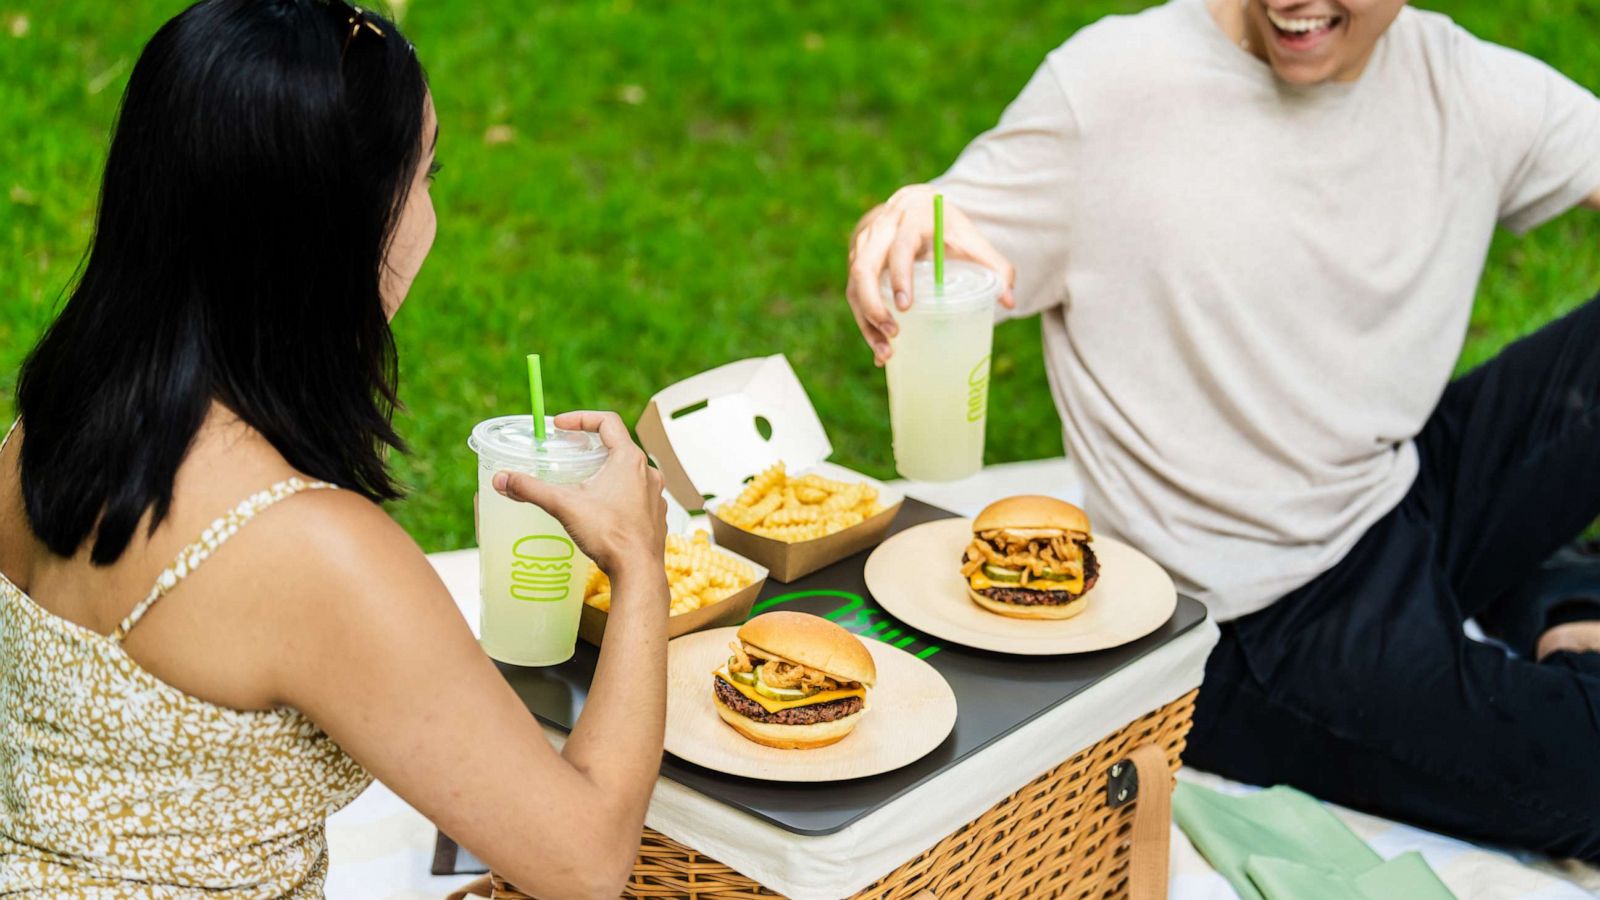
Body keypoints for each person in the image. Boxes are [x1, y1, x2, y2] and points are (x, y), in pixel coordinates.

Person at [847, 0, 1600, 862]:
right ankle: (1559, 605)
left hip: (1392, 484)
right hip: (1254, 620)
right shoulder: (1115, 89)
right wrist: (896, 226)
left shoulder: (1460, 81)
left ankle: (1553, 599)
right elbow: (944, 228)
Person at [0, 1, 670, 896]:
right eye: (425, 175)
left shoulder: (41, 427)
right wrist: (640, 561)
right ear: (340, 233)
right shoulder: (310, 554)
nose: (430, 213)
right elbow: (585, 863)